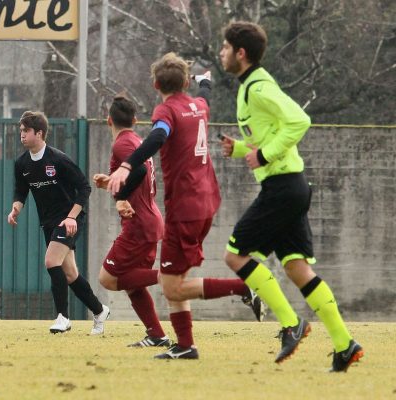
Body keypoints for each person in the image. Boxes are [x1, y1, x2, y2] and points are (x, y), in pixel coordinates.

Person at [218, 21, 363, 372]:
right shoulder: (249, 87)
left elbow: (299, 121)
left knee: (234, 256)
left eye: (225, 47)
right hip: (290, 186)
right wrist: (240, 149)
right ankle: (345, 345)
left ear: (241, 53)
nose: (220, 53)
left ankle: (290, 324)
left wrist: (265, 155)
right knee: (298, 268)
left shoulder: (259, 87)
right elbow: (268, 133)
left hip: (283, 188)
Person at [107, 53, 264, 360]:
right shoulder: (198, 105)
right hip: (206, 200)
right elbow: (205, 90)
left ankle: (242, 287)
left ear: (155, 84)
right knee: (174, 281)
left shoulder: (166, 111)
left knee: (172, 287)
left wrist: (127, 165)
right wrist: (204, 80)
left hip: (184, 206)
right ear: (184, 82)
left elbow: (159, 136)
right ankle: (185, 345)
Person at [8, 111, 110, 335]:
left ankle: (62, 318)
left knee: (51, 261)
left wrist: (72, 216)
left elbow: (84, 187)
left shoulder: (58, 159)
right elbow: (21, 189)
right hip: (49, 222)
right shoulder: (22, 163)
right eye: (21, 131)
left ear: (40, 133)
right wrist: (16, 207)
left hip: (69, 219)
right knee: (70, 274)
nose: (22, 135)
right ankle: (99, 309)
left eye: (26, 131)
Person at [93, 94, 169, 347]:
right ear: (135, 120)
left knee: (108, 278)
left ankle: (170, 275)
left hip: (139, 225)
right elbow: (137, 177)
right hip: (148, 221)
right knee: (134, 285)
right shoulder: (137, 140)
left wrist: (120, 197)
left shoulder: (122, 144)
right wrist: (111, 185)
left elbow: (139, 171)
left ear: (108, 121)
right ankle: (157, 335)